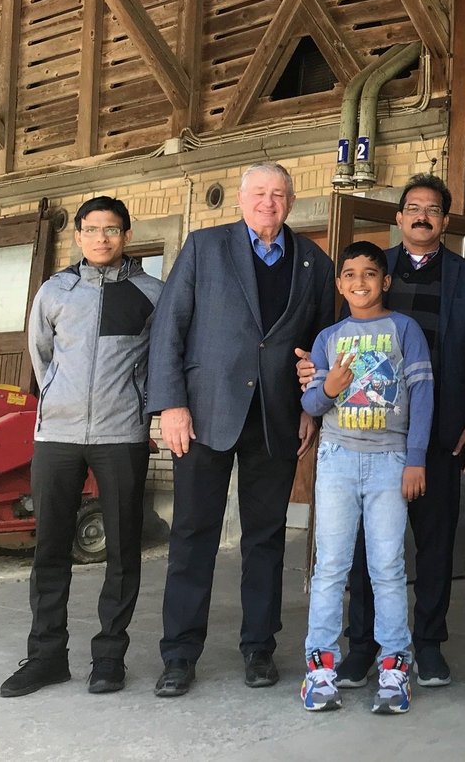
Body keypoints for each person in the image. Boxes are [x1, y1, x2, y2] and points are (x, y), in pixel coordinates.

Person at [148, 162, 335, 698]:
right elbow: (170, 327)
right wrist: (171, 405)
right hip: (205, 415)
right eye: (259, 193)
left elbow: (321, 345)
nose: (268, 203)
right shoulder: (204, 247)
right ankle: (180, 654)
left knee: (265, 539)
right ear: (240, 199)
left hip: (277, 419)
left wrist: (310, 408)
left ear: (292, 202)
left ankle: (259, 647)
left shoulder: (313, 264)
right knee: (192, 536)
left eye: (278, 194)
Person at [303, 174, 465, 691]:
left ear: (445, 222)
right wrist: (313, 378)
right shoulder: (373, 269)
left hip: (441, 428)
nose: (422, 216)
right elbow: (338, 345)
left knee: (433, 543)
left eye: (433, 209)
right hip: (370, 433)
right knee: (366, 549)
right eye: (412, 208)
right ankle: (361, 647)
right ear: (399, 218)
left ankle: (425, 646)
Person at [0, 197, 163, 698]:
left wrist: (138, 407)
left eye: (111, 230)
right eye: (91, 230)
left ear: (127, 235)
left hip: (121, 436)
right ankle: (47, 656)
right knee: (50, 549)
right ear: (77, 235)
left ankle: (109, 658)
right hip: (57, 438)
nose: (101, 239)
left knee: (122, 550)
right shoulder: (55, 291)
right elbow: (42, 357)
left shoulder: (151, 293)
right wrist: (60, 402)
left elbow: (160, 360)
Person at [298, 241, 434, 715]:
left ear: (386, 280)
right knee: (331, 566)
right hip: (336, 458)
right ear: (340, 284)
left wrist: (415, 458)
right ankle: (319, 668)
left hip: (390, 461)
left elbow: (422, 395)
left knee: (388, 567)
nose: (360, 282)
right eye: (350, 275)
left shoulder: (404, 329)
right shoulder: (329, 337)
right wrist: (328, 389)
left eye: (370, 274)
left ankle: (395, 666)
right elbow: (312, 404)